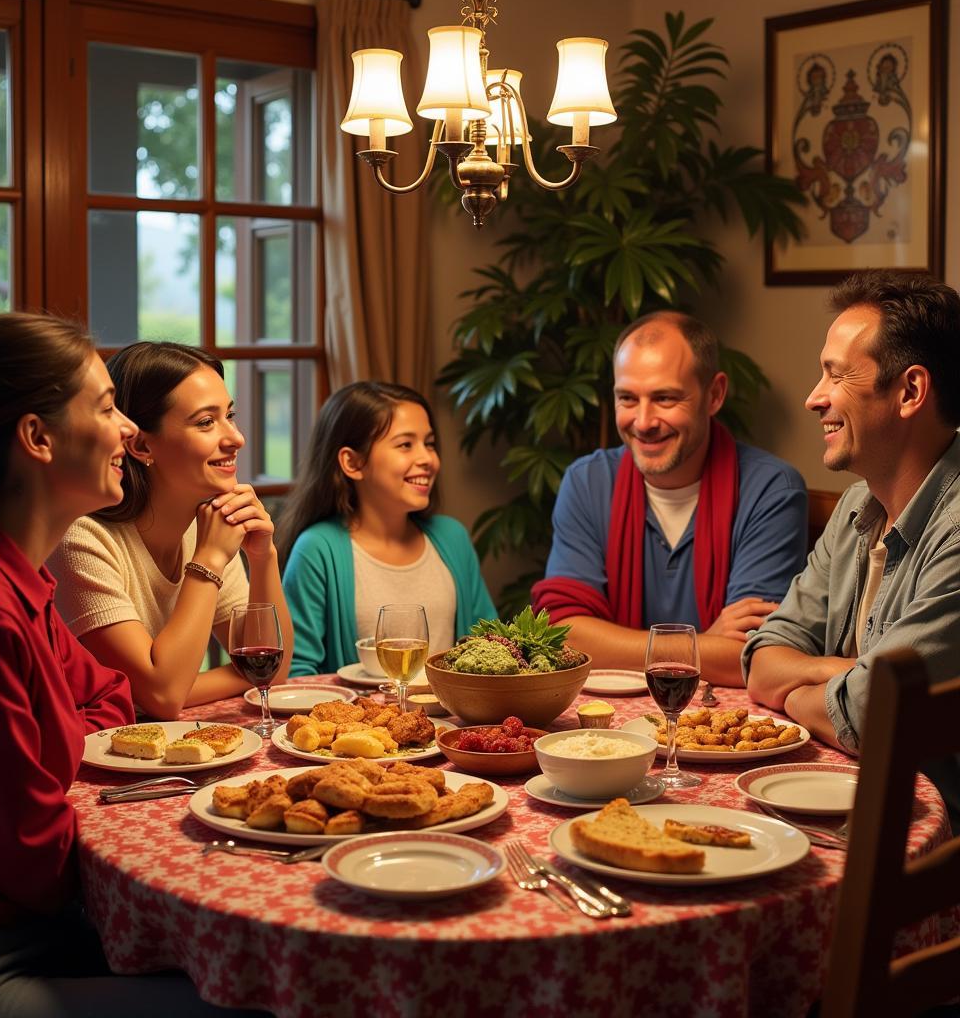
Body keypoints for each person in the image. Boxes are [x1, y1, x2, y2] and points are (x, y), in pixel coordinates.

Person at [0, 313, 262, 1017]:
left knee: (258, 975)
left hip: (43, 928)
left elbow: (113, 701)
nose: (125, 432)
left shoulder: (19, 580)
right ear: (37, 437)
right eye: (108, 407)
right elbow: (29, 858)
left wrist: (65, 761)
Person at [744, 270, 960, 831]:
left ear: (910, 392)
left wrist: (805, 695)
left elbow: (870, 717)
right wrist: (839, 671)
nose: (814, 398)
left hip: (928, 847)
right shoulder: (856, 505)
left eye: (836, 375)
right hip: (845, 810)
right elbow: (764, 660)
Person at [532, 311, 808, 686]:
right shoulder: (587, 482)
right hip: (606, 729)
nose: (643, 421)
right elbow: (564, 636)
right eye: (627, 398)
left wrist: (613, 643)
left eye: (665, 398)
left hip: (722, 732)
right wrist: (700, 643)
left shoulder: (772, 490)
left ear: (714, 395)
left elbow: (754, 657)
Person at [49, 342, 293, 720]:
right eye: (205, 422)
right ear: (142, 444)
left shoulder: (205, 527)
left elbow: (270, 672)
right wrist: (209, 559)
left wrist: (263, 557)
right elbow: (163, 696)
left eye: (230, 415)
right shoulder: (82, 539)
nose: (236, 438)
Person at [276, 381, 496, 676]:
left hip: (452, 720)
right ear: (353, 463)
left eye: (429, 443)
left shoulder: (452, 537)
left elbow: (490, 647)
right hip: (360, 722)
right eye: (406, 445)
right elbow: (297, 672)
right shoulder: (318, 548)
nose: (427, 459)